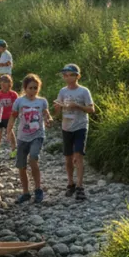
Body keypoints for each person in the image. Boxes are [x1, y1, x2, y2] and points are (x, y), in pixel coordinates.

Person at [7, 73, 53, 203]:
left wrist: (49, 120)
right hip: (22, 136)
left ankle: (38, 189)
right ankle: (25, 192)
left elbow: (46, 115)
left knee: (33, 158)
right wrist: (9, 130)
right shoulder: (19, 101)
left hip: (37, 135)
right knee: (21, 166)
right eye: (30, 88)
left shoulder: (42, 101)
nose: (33, 90)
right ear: (25, 88)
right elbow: (13, 116)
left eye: (35, 88)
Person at [53, 63, 96, 201]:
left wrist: (77, 105)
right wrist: (57, 108)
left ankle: (80, 186)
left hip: (80, 126)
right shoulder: (62, 91)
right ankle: (70, 183)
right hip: (66, 127)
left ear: (77, 76)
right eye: (64, 74)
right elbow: (58, 112)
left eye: (69, 74)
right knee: (68, 157)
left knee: (78, 155)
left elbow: (91, 109)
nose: (66, 77)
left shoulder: (84, 91)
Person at [0, 74, 18, 160]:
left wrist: (14, 115)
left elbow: (16, 106)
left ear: (10, 84)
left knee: (10, 132)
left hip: (9, 117)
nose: (3, 86)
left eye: (5, 84)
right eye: (1, 84)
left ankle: (14, 149)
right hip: (0, 116)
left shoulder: (13, 94)